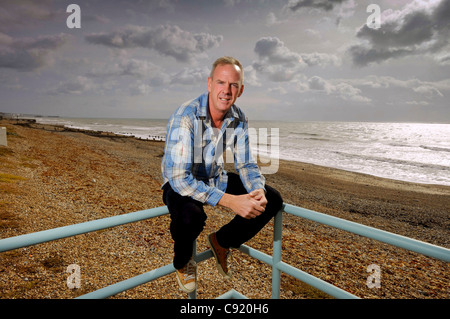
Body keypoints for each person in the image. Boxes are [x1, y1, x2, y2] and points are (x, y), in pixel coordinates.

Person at [161, 56, 283, 293]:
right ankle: (183, 262)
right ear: (209, 84)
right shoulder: (185, 115)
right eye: (221, 83)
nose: (226, 91)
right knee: (191, 217)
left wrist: (256, 189)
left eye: (233, 85)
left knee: (271, 199)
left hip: (214, 178)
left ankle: (222, 241)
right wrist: (230, 201)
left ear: (241, 90)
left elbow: (246, 164)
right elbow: (179, 178)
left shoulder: (239, 118)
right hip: (180, 182)